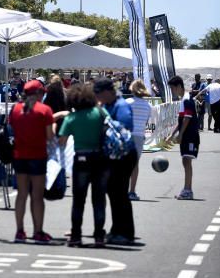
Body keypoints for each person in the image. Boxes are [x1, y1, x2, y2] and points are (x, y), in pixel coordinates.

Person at [59, 84, 110, 247]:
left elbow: (62, 141)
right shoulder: (100, 113)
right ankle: (99, 235)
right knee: (99, 199)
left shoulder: (71, 118)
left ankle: (76, 235)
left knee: (79, 200)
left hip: (81, 159)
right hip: (100, 158)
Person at [9, 79, 54, 244]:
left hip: (20, 156)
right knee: (37, 196)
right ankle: (38, 231)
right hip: (38, 156)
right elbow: (49, 137)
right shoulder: (45, 110)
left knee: (21, 194)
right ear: (38, 94)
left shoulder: (15, 110)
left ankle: (19, 231)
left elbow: (12, 129)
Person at [94, 77, 137, 245]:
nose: (97, 98)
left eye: (98, 94)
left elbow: (125, 127)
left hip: (124, 154)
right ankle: (117, 229)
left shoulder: (121, 105)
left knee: (119, 194)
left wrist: (105, 123)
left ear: (106, 92)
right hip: (114, 155)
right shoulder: (107, 105)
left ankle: (126, 233)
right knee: (113, 193)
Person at [168, 75, 200, 199]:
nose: (171, 91)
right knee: (185, 160)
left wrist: (180, 134)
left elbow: (188, 118)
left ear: (179, 87)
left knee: (187, 161)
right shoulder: (183, 100)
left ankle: (188, 190)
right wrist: (172, 133)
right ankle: (187, 189)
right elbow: (181, 120)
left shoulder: (187, 99)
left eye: (172, 88)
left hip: (190, 135)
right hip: (186, 135)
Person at [127, 79, 152, 200]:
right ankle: (132, 191)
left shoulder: (127, 102)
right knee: (135, 164)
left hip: (126, 135)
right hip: (139, 136)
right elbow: (146, 122)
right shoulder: (148, 106)